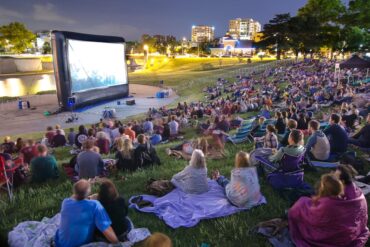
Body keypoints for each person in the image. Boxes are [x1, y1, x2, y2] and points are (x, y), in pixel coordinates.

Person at [288, 173, 369, 246]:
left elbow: (297, 210)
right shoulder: (355, 199)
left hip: (325, 240)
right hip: (349, 238)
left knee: (301, 200)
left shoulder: (326, 205)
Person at [55, 179, 119, 247]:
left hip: (61, 244)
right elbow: (105, 228)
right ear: (89, 192)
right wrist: (116, 242)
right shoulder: (95, 205)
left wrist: (87, 192)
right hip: (82, 244)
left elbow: (76, 196)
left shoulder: (65, 202)